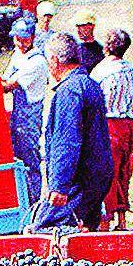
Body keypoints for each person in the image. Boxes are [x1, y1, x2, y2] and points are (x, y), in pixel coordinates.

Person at [31, 32, 113, 232]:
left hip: (79, 178)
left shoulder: (69, 91)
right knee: (85, 230)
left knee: (48, 228)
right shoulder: (90, 84)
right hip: (97, 174)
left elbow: (67, 140)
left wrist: (59, 185)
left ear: (54, 60)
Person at [90, 29, 133, 230]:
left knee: (107, 174)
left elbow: (94, 102)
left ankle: (105, 219)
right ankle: (122, 219)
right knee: (124, 172)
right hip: (130, 126)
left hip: (110, 125)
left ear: (107, 47)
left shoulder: (101, 71)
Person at [1, 18, 47, 204]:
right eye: (17, 39)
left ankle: (34, 201)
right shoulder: (17, 55)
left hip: (29, 116)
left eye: (25, 39)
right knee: (16, 158)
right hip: (17, 113)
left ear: (33, 38)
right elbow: (4, 77)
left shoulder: (37, 62)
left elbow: (9, 85)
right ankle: (22, 199)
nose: (20, 43)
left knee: (29, 159)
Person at [73, 9, 104, 73]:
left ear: (92, 26)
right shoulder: (75, 50)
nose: (79, 30)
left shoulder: (102, 50)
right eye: (78, 26)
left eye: (82, 26)